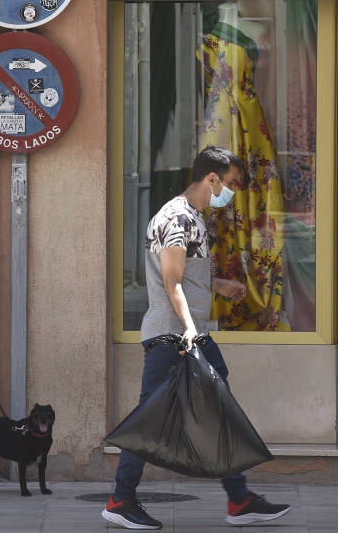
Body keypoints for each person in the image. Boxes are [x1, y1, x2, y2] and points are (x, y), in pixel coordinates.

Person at [101, 146, 291, 529]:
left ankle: (239, 500)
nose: (232, 191)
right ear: (212, 179)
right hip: (175, 336)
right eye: (232, 183)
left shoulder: (189, 217)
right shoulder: (178, 218)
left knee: (215, 407)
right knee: (150, 418)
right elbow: (170, 281)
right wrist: (189, 328)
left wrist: (217, 285)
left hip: (187, 334)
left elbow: (179, 274)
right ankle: (121, 499)